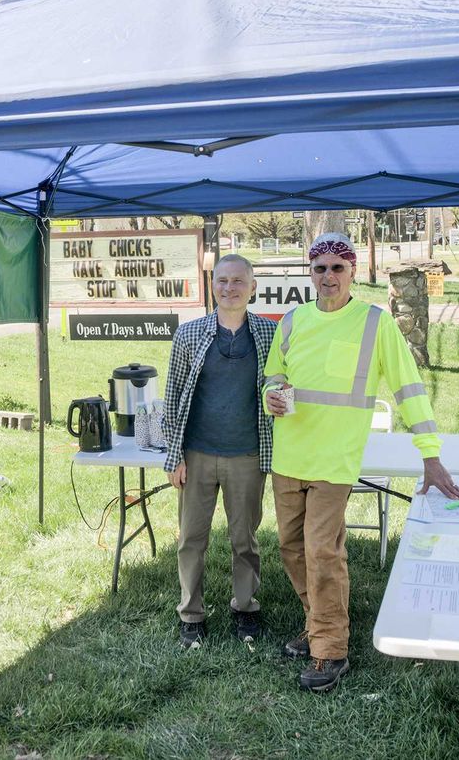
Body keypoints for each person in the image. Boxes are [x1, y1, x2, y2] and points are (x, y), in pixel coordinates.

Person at [263, 232, 459, 692]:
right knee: (291, 550)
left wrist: (430, 455)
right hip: (289, 456)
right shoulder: (292, 321)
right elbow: (275, 372)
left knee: (321, 552)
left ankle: (330, 650)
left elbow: (409, 389)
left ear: (353, 271)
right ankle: (317, 622)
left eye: (338, 267)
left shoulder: (375, 324)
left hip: (335, 462)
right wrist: (269, 394)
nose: (328, 276)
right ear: (310, 274)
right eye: (320, 268)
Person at [163, 254, 277, 648]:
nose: (229, 288)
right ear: (213, 285)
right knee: (191, 539)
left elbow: (280, 386)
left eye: (238, 281)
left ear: (253, 287)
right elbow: (173, 396)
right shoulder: (190, 334)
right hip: (197, 453)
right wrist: (173, 456)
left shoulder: (268, 333)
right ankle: (191, 614)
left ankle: (245, 608)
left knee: (245, 538)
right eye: (222, 281)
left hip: (247, 454)